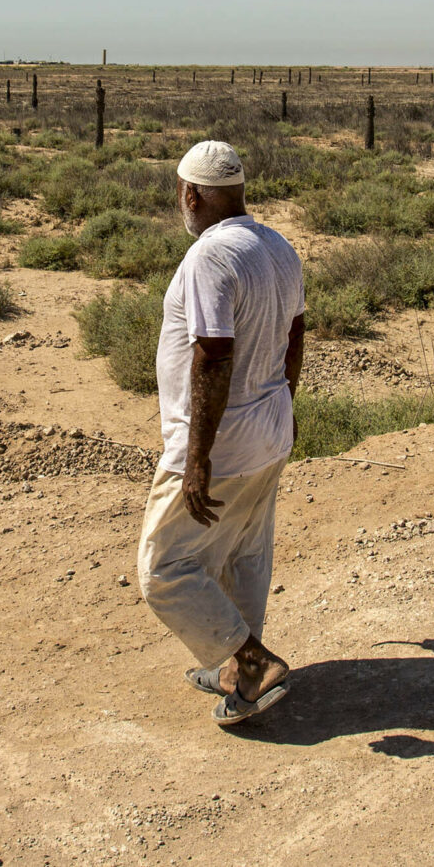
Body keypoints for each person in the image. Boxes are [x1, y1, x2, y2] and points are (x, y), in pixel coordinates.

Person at [136, 140, 306, 726]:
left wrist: (199, 457)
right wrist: (284, 404)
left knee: (165, 568)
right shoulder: (277, 247)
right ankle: (240, 673)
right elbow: (296, 333)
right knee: (243, 551)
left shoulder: (210, 258)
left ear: (190, 193)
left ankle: (249, 661)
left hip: (223, 441)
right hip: (269, 427)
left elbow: (212, 353)